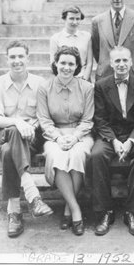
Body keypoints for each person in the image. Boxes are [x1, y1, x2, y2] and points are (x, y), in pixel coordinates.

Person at [0, 40, 53, 238]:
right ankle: (33, 197)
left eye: (21, 56)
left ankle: (15, 212)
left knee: (9, 151)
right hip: (3, 135)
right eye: (12, 57)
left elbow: (44, 116)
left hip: (31, 138)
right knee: (12, 135)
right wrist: (18, 123)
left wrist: (31, 126)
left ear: (28, 58)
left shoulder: (39, 84)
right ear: (6, 59)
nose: (17, 61)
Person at [91, 46, 134, 236]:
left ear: (132, 62)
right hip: (110, 135)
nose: (121, 64)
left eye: (125, 60)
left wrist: (131, 141)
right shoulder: (101, 86)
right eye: (117, 61)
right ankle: (105, 211)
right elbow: (100, 119)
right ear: (111, 63)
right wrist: (114, 141)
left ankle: (133, 211)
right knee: (96, 155)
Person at [37, 46, 94, 235]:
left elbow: (87, 120)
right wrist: (58, 138)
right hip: (54, 134)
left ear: (77, 66)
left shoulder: (86, 87)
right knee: (57, 156)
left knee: (78, 154)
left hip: (81, 133)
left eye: (71, 63)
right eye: (63, 63)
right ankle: (75, 208)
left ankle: (68, 209)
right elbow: (44, 120)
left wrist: (75, 136)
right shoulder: (45, 87)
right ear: (56, 64)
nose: (66, 67)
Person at [50, 5, 93, 81]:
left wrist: (84, 79)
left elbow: (89, 63)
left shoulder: (87, 37)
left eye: (77, 19)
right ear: (64, 19)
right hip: (64, 79)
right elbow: (53, 63)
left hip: (83, 78)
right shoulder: (56, 38)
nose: (75, 22)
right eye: (71, 18)